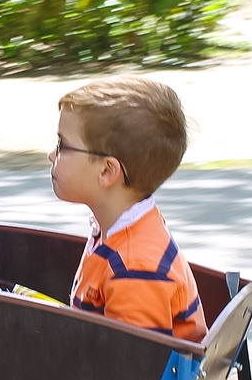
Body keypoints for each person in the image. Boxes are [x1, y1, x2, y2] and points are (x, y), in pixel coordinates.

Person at [49, 77, 206, 342]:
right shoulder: (119, 231)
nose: (52, 154)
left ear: (107, 171)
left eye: (62, 145)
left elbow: (132, 373)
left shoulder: (134, 268)